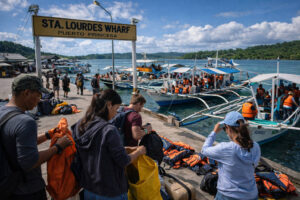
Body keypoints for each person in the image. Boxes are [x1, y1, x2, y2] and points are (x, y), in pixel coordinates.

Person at [0, 74, 72, 200]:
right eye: (38, 95)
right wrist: (58, 147)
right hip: (26, 190)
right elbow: (29, 162)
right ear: (26, 93)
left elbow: (16, 144)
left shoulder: (3, 112)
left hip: (7, 184)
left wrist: (47, 135)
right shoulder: (25, 121)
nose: (40, 100)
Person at [71, 89, 146, 199]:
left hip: (89, 187)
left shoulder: (80, 125)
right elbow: (123, 161)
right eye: (116, 109)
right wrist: (139, 152)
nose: (116, 113)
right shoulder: (109, 130)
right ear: (109, 105)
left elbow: (98, 150)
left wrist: (123, 148)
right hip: (110, 190)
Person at [201, 111, 261, 200]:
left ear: (228, 128)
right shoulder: (256, 146)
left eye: (225, 128)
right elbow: (252, 165)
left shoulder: (226, 148)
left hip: (228, 195)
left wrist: (214, 132)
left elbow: (204, 150)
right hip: (252, 195)